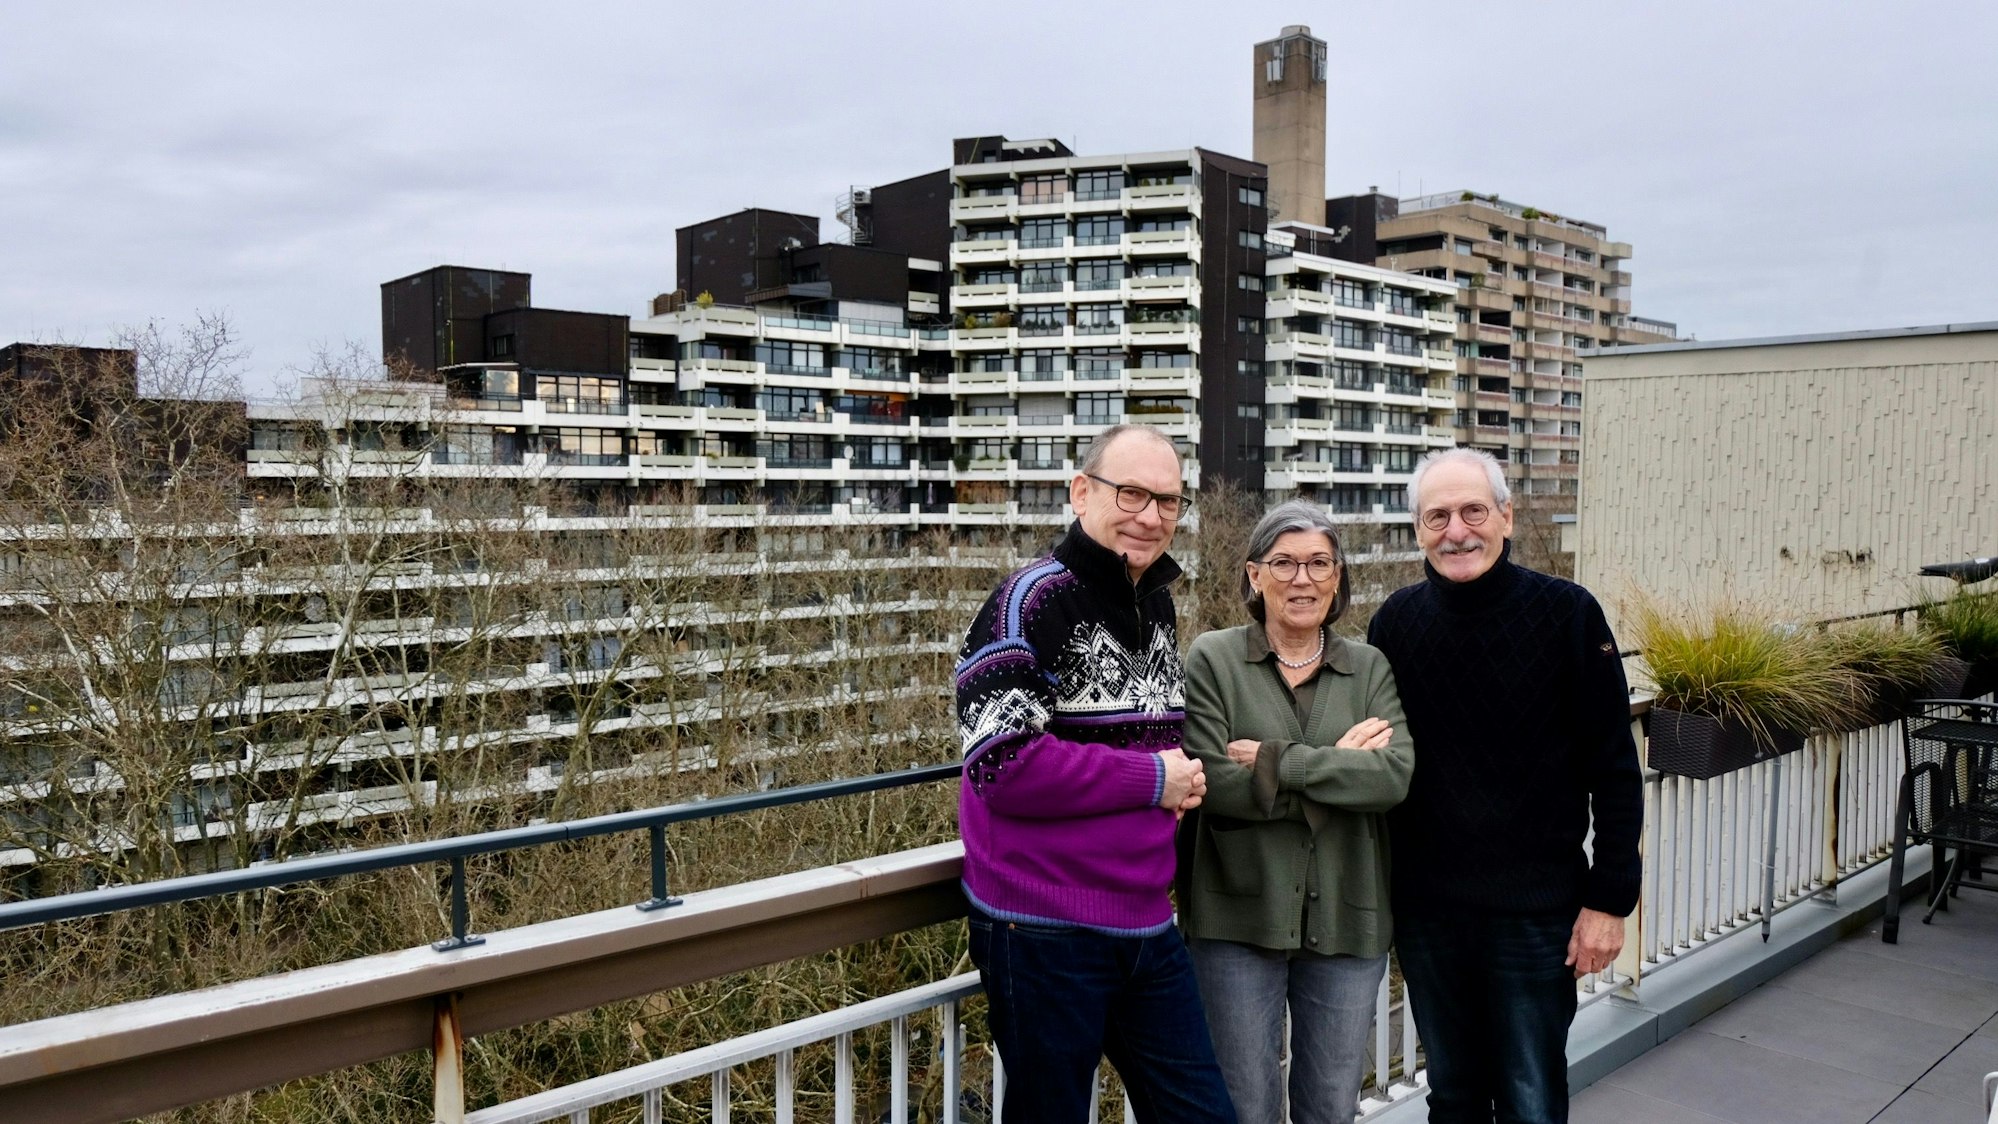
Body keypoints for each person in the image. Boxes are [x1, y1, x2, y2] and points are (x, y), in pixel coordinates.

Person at [955, 423, 1235, 1124]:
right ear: (1081, 492)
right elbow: (1002, 764)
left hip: (1145, 920)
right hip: (1044, 928)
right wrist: (1152, 781)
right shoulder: (1025, 603)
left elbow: (1150, 738)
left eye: (1168, 501)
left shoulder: (1157, 603)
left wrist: (1181, 779)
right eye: (1132, 493)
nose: (1151, 516)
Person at [1365, 447, 1643, 1124]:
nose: (1457, 530)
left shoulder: (1568, 615)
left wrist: (1609, 901)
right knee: (1454, 1096)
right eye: (1438, 516)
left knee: (1530, 1100)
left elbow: (1613, 765)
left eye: (1473, 511)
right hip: (1430, 912)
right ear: (1418, 530)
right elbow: (1375, 756)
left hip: (1536, 913)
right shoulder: (1394, 624)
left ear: (1506, 516)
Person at [1181, 500, 1414, 1124]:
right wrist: (1339, 767)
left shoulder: (1369, 667)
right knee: (1243, 1105)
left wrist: (1281, 764)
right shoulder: (1213, 659)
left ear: (1337, 577)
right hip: (1235, 917)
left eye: (1318, 563)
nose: (1302, 578)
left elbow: (1392, 777)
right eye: (1284, 562)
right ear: (1255, 576)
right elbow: (1212, 781)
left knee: (1330, 1105)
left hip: (1348, 916)